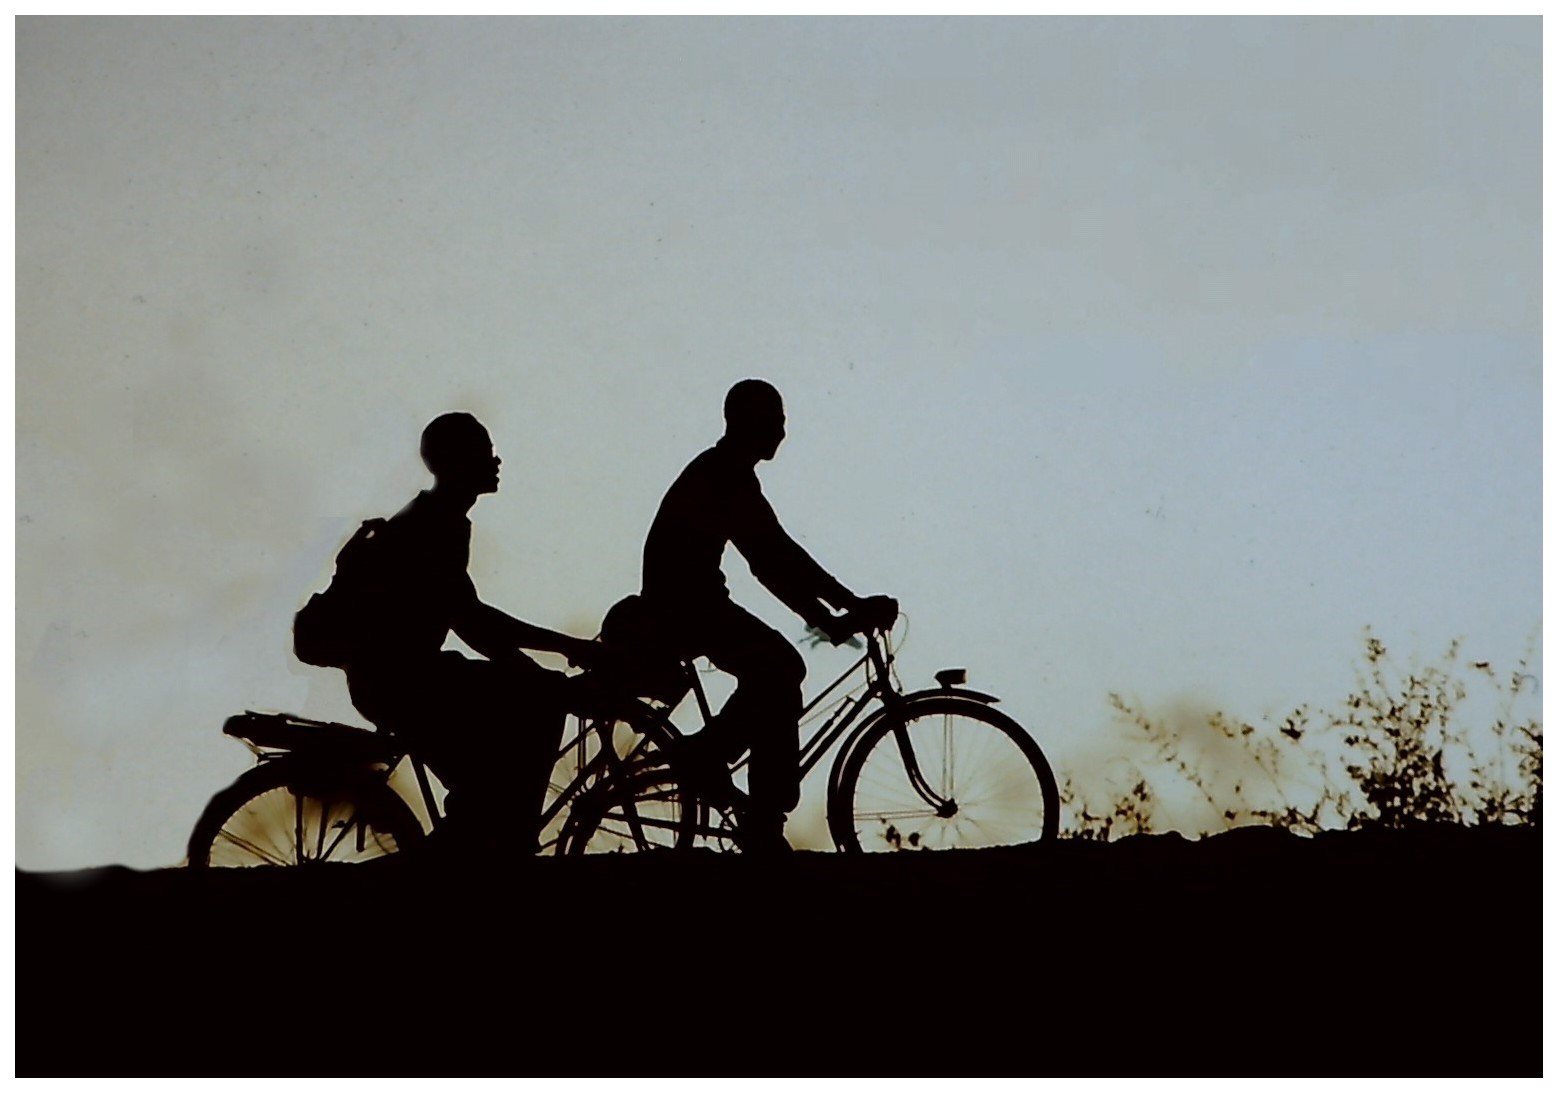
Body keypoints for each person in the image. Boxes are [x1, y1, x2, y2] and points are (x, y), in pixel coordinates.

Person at [640, 379, 894, 853]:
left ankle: (733, 782)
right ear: (750, 424)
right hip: (686, 607)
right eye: (775, 420)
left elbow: (773, 561)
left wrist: (832, 613)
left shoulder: (726, 471)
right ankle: (735, 787)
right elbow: (774, 558)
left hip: (689, 603)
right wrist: (845, 606)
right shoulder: (724, 475)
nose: (782, 431)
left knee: (775, 670)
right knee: (780, 669)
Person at [337, 411, 599, 852]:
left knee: (534, 702)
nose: (495, 461)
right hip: (401, 681)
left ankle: (494, 836)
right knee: (526, 722)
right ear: (455, 462)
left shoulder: (440, 518)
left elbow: (472, 621)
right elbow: (472, 621)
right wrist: (560, 650)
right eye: (483, 452)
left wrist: (537, 665)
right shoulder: (433, 524)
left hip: (404, 675)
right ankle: (497, 841)